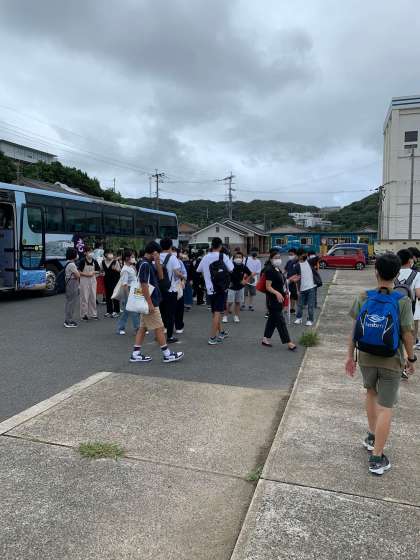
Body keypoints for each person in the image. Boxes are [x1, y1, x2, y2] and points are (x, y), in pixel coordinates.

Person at [346, 253, 415, 475]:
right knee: (386, 407)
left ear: (375, 272)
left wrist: (350, 356)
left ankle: (372, 436)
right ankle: (377, 458)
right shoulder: (402, 301)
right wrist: (411, 359)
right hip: (391, 360)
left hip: (366, 356)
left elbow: (354, 330)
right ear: (397, 274)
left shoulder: (363, 296)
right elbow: (407, 334)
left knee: (370, 393)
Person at [130, 242, 184, 363]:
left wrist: (157, 260)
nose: (159, 255)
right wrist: (150, 303)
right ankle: (167, 354)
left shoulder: (148, 263)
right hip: (150, 302)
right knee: (159, 327)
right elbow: (144, 284)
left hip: (149, 301)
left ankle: (135, 353)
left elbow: (161, 276)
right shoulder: (145, 264)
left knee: (143, 328)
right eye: (158, 253)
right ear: (154, 252)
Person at [197, 237, 234, 345]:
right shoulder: (223, 256)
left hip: (210, 289)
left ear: (211, 246)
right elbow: (231, 269)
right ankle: (212, 337)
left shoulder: (205, 257)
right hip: (220, 288)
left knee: (215, 312)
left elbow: (199, 270)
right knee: (217, 313)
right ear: (220, 246)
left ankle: (221, 332)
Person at [261, 249, 297, 350]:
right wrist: (277, 293)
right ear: (271, 259)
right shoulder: (270, 270)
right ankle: (289, 342)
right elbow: (268, 286)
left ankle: (265, 338)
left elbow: (281, 283)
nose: (278, 260)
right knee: (281, 321)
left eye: (279, 258)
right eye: (275, 258)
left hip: (279, 299)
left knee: (272, 320)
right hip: (272, 300)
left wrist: (290, 280)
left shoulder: (277, 269)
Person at [159, 238, 183, 343]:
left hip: (159, 289)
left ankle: (159, 335)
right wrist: (183, 277)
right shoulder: (173, 258)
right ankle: (169, 336)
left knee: (160, 313)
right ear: (170, 246)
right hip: (171, 289)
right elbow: (177, 273)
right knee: (171, 314)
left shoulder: (156, 257)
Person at [116, 249, 140, 335]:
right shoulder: (125, 269)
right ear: (127, 258)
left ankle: (120, 328)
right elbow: (125, 284)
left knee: (128, 311)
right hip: (130, 290)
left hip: (135, 288)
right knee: (134, 311)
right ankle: (137, 328)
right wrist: (128, 295)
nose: (134, 258)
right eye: (132, 257)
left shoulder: (130, 267)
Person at [223, 251, 251, 323]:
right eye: (236, 257)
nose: (238, 258)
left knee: (238, 302)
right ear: (233, 258)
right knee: (229, 302)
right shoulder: (230, 266)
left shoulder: (243, 266)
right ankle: (225, 316)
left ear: (242, 258)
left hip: (240, 287)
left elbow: (250, 274)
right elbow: (226, 275)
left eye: (240, 257)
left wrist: (245, 280)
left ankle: (236, 316)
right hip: (231, 287)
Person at [291, 248, 316, 326]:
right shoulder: (297, 266)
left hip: (311, 288)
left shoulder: (310, 262)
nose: (305, 255)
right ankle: (299, 318)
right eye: (303, 254)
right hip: (301, 289)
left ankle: (310, 320)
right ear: (299, 256)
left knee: (310, 306)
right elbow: (296, 278)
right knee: (300, 305)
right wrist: (297, 290)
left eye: (306, 253)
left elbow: (319, 257)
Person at [78, 246, 100, 321]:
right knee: (84, 297)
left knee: (93, 296)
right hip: (84, 280)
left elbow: (98, 270)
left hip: (93, 280)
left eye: (92, 252)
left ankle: (93, 314)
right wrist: (86, 274)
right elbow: (79, 271)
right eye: (89, 252)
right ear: (85, 253)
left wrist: (93, 272)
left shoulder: (94, 261)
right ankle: (84, 314)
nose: (91, 253)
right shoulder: (82, 261)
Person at [63, 247, 80, 328]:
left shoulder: (67, 262)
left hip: (68, 283)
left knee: (69, 302)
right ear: (73, 255)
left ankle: (68, 319)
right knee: (71, 303)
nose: (77, 255)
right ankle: (68, 321)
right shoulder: (72, 264)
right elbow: (78, 275)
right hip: (72, 283)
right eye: (76, 253)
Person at [102, 248, 121, 318]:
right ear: (105, 254)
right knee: (108, 295)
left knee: (115, 295)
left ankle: (116, 311)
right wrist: (102, 273)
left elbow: (120, 271)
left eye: (111, 253)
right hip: (106, 280)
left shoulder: (115, 262)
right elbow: (101, 270)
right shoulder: (103, 262)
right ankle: (109, 311)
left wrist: (115, 269)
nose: (110, 254)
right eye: (108, 253)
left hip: (114, 280)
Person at [173, 247, 188, 334]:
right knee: (167, 308)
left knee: (179, 307)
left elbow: (185, 274)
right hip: (168, 287)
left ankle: (179, 326)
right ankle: (166, 326)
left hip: (178, 286)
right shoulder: (163, 260)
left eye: (175, 251)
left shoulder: (179, 262)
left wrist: (183, 281)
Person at [284, 248, 299, 314]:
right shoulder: (289, 262)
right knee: (288, 295)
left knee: (296, 296)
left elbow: (299, 273)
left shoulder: (298, 262)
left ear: (296, 255)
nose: (290, 256)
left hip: (295, 282)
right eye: (289, 254)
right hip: (288, 281)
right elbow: (285, 270)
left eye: (291, 254)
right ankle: (290, 309)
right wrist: (280, 274)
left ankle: (297, 309)